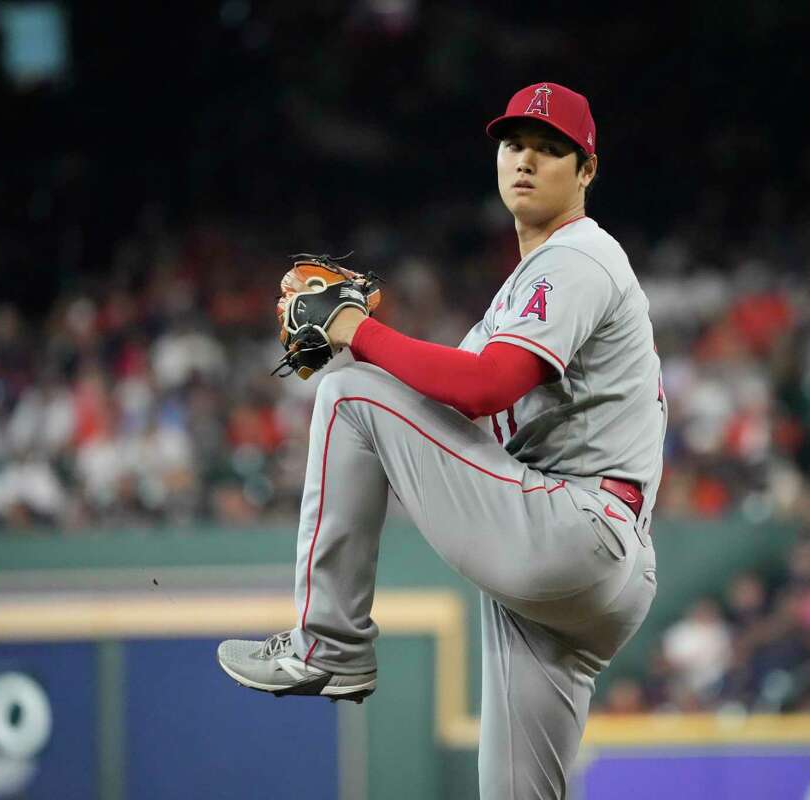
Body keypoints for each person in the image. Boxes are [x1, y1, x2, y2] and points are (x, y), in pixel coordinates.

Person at [217, 82, 665, 798]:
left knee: (349, 396)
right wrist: (345, 346)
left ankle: (329, 645)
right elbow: (447, 404)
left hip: (573, 531)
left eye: (552, 150)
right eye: (515, 144)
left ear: (586, 171)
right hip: (582, 571)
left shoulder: (578, 257)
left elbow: (487, 386)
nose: (526, 159)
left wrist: (356, 339)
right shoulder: (523, 290)